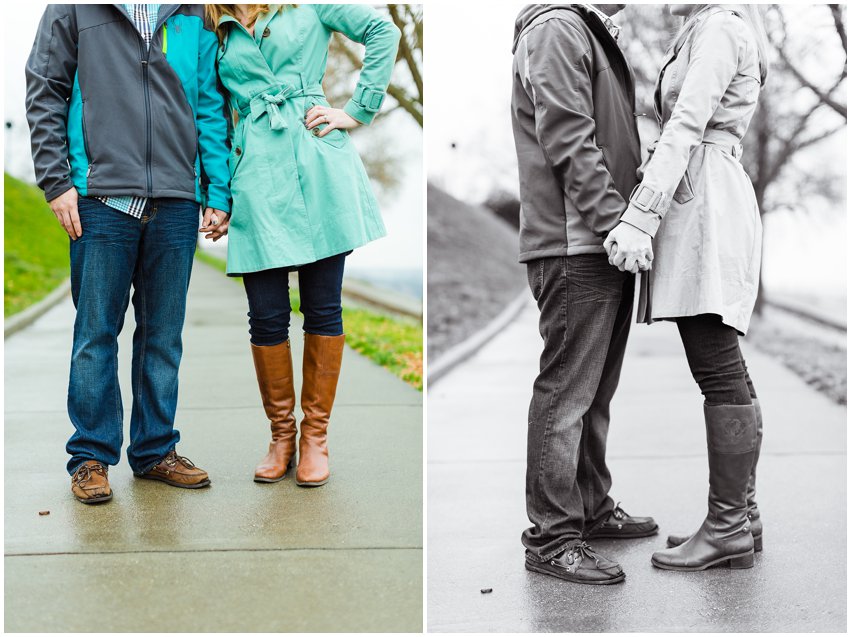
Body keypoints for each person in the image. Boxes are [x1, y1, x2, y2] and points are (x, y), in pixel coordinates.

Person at [25, 4, 231, 504]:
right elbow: (44, 88)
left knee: (163, 336)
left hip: (176, 202)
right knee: (95, 333)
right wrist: (56, 183)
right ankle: (91, 457)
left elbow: (207, 105)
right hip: (100, 201)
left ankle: (156, 449)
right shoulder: (73, 8)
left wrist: (218, 190)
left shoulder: (192, 14)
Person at [202, 4, 400, 486]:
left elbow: (383, 29)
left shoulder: (309, 4)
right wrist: (218, 194)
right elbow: (213, 115)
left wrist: (357, 109)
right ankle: (281, 437)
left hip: (317, 169)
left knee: (322, 309)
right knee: (266, 315)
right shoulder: (214, 25)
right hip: (256, 181)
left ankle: (315, 438)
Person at [604, 3, 769, 571]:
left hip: (705, 203)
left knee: (716, 364)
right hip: (703, 193)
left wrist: (640, 215)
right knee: (726, 365)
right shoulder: (706, 27)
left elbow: (687, 123)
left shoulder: (721, 25)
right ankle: (741, 518)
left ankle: (727, 527)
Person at [510, 4, 658, 585]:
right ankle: (552, 537)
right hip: (579, 243)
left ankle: (590, 509)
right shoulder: (556, 28)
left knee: (594, 392)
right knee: (567, 393)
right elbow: (568, 135)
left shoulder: (582, 29)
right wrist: (614, 221)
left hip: (601, 239)